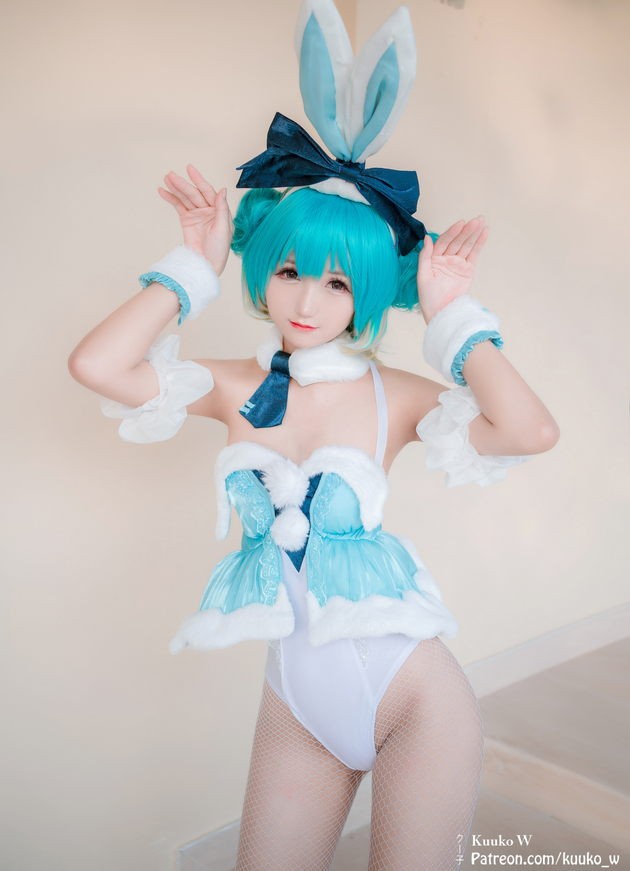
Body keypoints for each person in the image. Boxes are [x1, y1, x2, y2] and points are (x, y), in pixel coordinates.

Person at [68, 4, 560, 869]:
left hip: (414, 699)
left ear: (366, 294)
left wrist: (452, 316)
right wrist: (193, 267)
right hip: (296, 702)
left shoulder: (391, 394)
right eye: (291, 270)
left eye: (337, 283)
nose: (305, 300)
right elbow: (97, 365)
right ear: (265, 270)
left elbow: (529, 429)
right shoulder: (233, 388)